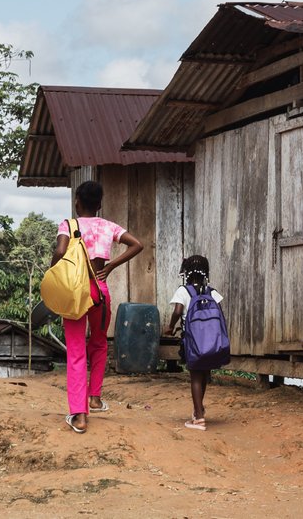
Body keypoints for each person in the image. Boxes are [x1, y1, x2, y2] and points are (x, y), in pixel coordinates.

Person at [54, 180, 143, 433]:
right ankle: (94, 397)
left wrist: (54, 275)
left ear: (77, 202)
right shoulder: (109, 226)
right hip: (100, 291)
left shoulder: (69, 225)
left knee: (76, 351)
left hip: (75, 292)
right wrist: (111, 266)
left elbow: (60, 252)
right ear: (100, 204)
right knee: (100, 342)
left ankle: (80, 416)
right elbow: (137, 244)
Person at [163, 255, 223, 431]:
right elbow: (219, 314)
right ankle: (199, 410)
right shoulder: (211, 292)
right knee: (203, 375)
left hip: (192, 341)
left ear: (186, 272)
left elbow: (178, 311)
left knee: (195, 376)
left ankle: (199, 417)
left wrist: (170, 326)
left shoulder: (184, 291)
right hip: (210, 342)